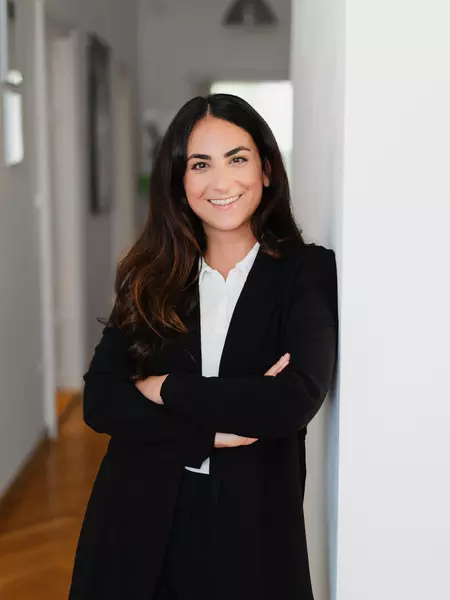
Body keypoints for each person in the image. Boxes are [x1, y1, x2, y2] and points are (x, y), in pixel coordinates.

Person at [68, 93, 338, 600]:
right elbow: (101, 402)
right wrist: (212, 429)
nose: (220, 182)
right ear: (180, 180)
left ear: (266, 170)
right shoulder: (150, 277)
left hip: (251, 527)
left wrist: (163, 388)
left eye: (237, 159)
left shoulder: (306, 272)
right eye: (200, 164)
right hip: (136, 517)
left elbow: (292, 399)